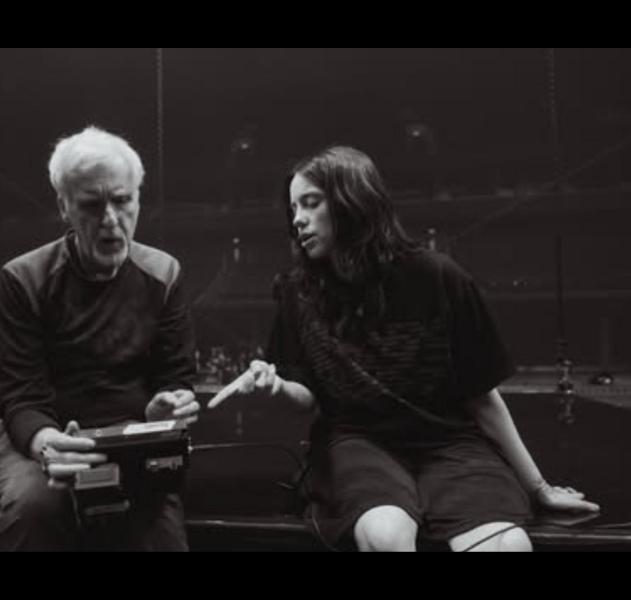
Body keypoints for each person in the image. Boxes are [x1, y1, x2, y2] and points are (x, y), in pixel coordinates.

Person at [209, 145, 599, 552]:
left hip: (449, 444)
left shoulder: (438, 276)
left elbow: (482, 397)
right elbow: (306, 396)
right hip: (357, 441)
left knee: (507, 545)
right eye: (293, 209)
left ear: (352, 202)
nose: (298, 219)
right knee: (387, 535)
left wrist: (539, 487)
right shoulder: (296, 291)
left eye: (310, 203)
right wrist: (276, 387)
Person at [0, 125, 200, 552]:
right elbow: (20, 397)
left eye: (122, 200)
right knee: (32, 509)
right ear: (63, 207)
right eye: (91, 204)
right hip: (45, 437)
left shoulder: (164, 273)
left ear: (137, 198)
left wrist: (162, 410)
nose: (110, 220)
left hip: (133, 438)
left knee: (158, 534)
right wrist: (47, 444)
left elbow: (175, 377)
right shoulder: (23, 278)